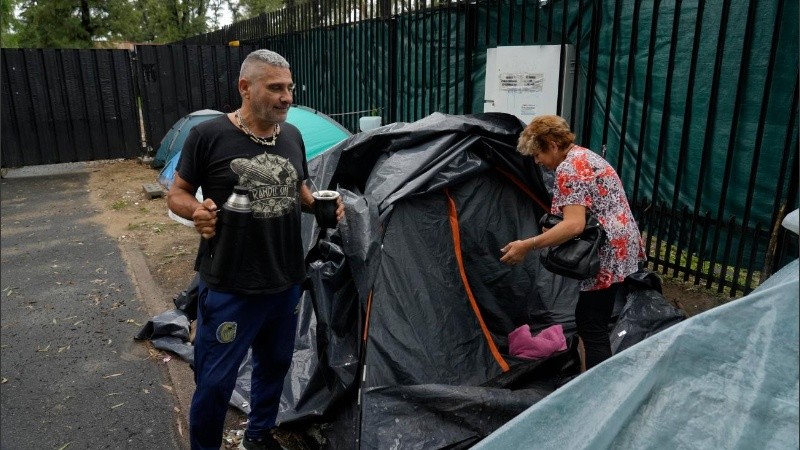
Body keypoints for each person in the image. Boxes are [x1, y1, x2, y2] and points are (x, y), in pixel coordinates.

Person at [167, 49, 344, 450]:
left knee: (275, 366)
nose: (287, 97)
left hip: (284, 281)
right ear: (245, 88)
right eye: (276, 88)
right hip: (230, 285)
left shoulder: (293, 136)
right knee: (214, 381)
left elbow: (296, 188)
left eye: (290, 88)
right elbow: (176, 193)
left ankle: (259, 435)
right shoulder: (208, 136)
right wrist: (197, 211)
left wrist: (316, 203)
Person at [500, 114, 645, 371]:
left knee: (591, 325)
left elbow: (574, 225)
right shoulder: (585, 156)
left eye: (538, 154)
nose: (537, 161)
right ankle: (589, 377)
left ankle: (597, 390)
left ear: (552, 144)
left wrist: (528, 245)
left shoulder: (569, 168)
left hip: (606, 253)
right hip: (621, 244)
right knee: (593, 318)